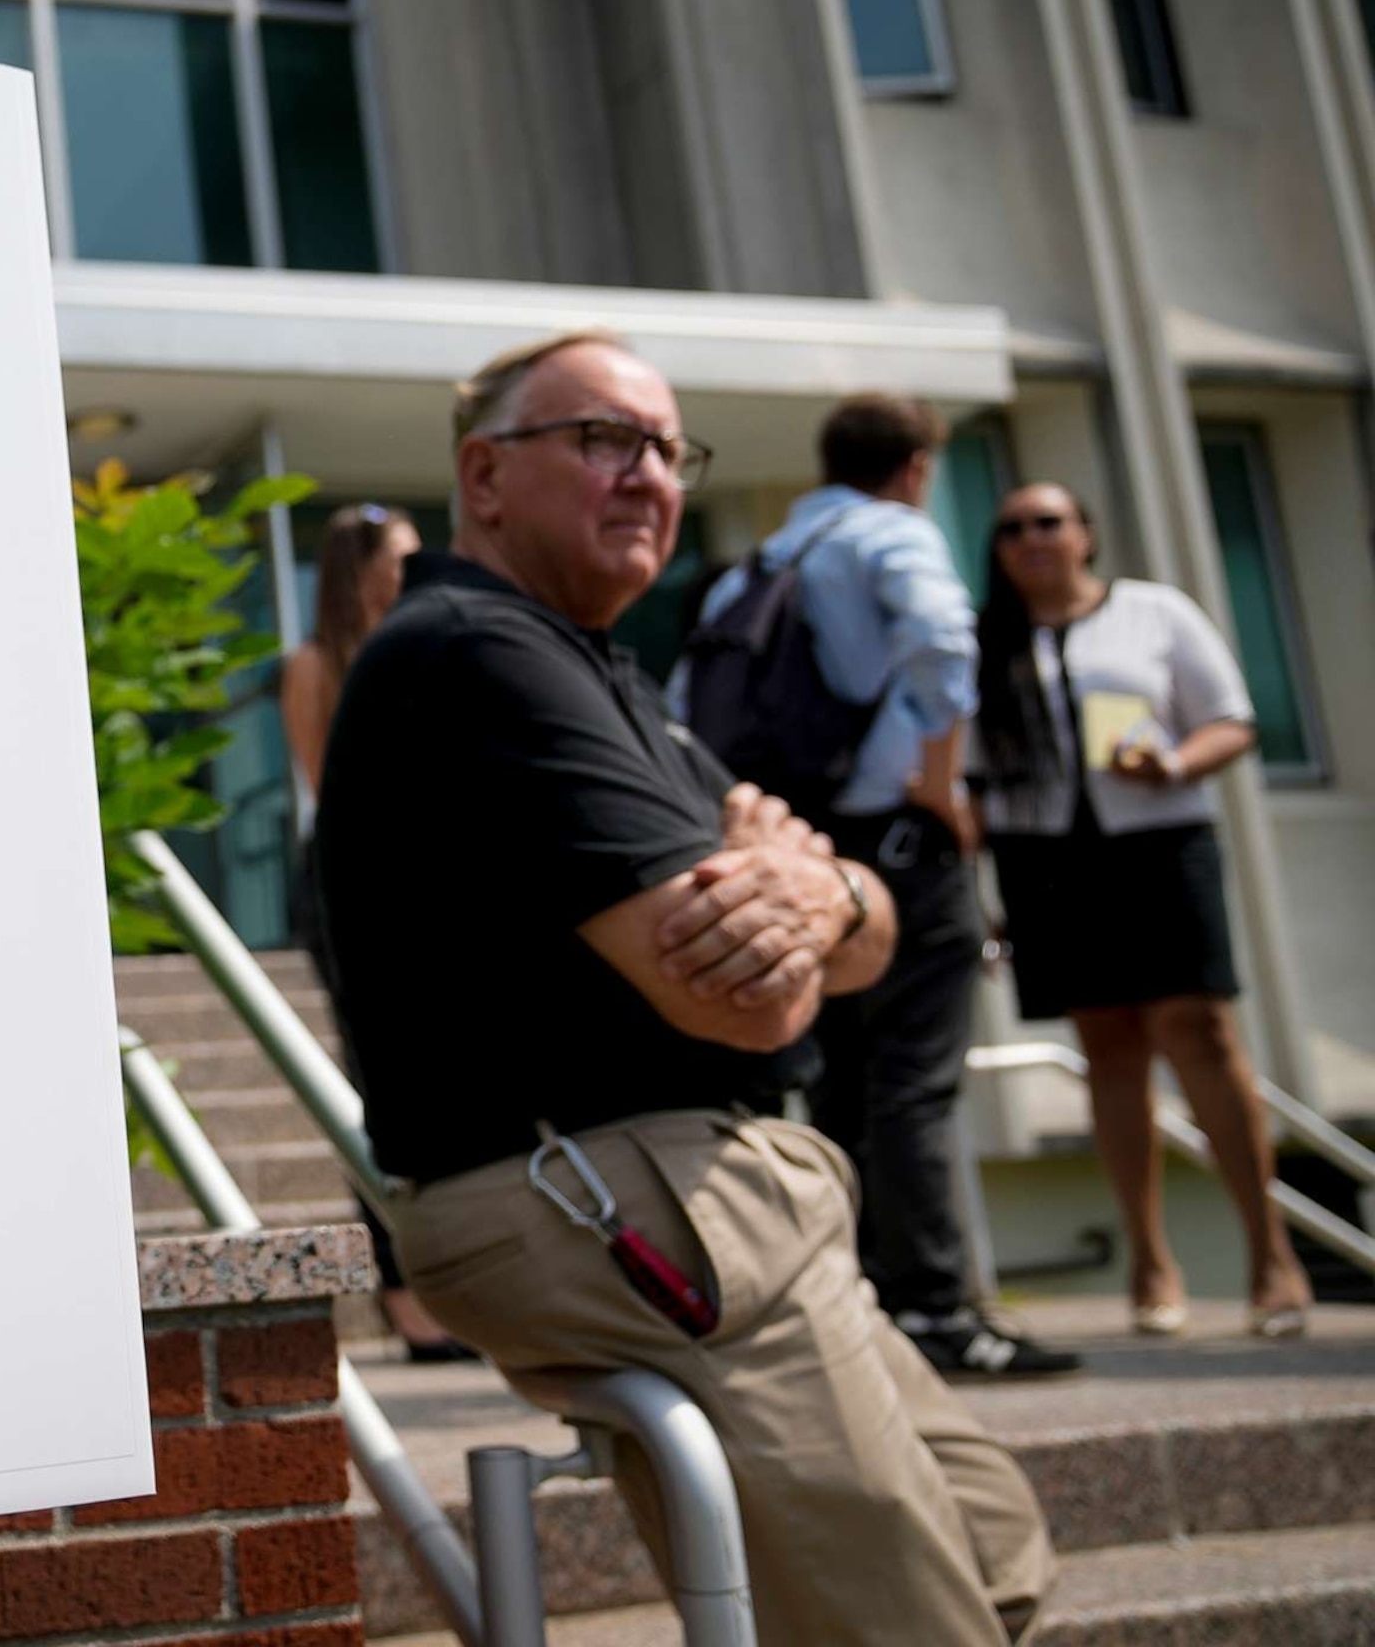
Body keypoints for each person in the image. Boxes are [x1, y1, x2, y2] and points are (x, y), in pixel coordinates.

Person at [318, 329, 1054, 1646]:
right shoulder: (476, 653)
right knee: (909, 1623)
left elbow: (860, 926)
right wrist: (807, 889)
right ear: (485, 478)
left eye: (668, 447)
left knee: (993, 1546)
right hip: (602, 1185)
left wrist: (816, 889)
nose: (649, 474)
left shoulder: (605, 668)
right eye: (603, 438)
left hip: (701, 1179)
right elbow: (751, 1006)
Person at [677, 397, 1079, 1379]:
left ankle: (859, 1298)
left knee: (842, 1081)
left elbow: (689, 708)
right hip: (900, 842)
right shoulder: (890, 533)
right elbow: (946, 641)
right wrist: (943, 783)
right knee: (914, 1080)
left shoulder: (765, 560)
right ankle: (937, 1307)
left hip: (811, 845)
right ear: (913, 467)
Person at [975, 483, 1310, 1340]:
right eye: (1011, 528)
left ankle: (1271, 1255)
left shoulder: (1153, 613)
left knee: (1198, 1029)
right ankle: (1152, 1260)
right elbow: (967, 768)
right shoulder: (985, 641)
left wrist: (1174, 763)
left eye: (1048, 522)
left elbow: (1232, 720)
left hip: (1158, 843)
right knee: (1107, 1045)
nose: (1031, 540)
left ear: (1087, 532)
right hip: (1045, 857)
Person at [280, 505, 466, 1362]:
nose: (415, 568)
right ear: (363, 569)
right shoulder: (317, 664)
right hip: (354, 872)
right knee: (373, 1074)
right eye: (401, 557)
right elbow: (332, 782)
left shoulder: (428, 642)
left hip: (434, 869)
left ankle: (454, 1280)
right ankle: (402, 1291)